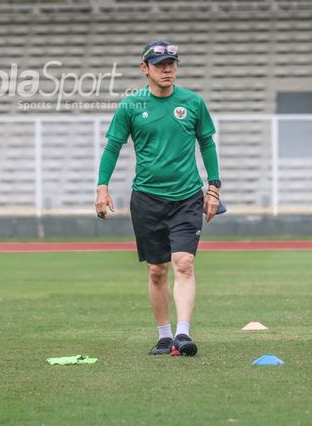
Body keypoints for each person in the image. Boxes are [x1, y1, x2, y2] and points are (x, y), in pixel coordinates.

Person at [94, 40, 222, 357]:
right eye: (160, 64)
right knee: (157, 270)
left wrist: (214, 187)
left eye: (172, 63)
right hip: (147, 198)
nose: (167, 69)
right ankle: (164, 335)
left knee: (185, 263)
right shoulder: (131, 106)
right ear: (145, 69)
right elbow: (112, 146)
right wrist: (102, 186)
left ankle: (183, 334)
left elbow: (207, 143)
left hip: (187, 197)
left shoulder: (193, 103)